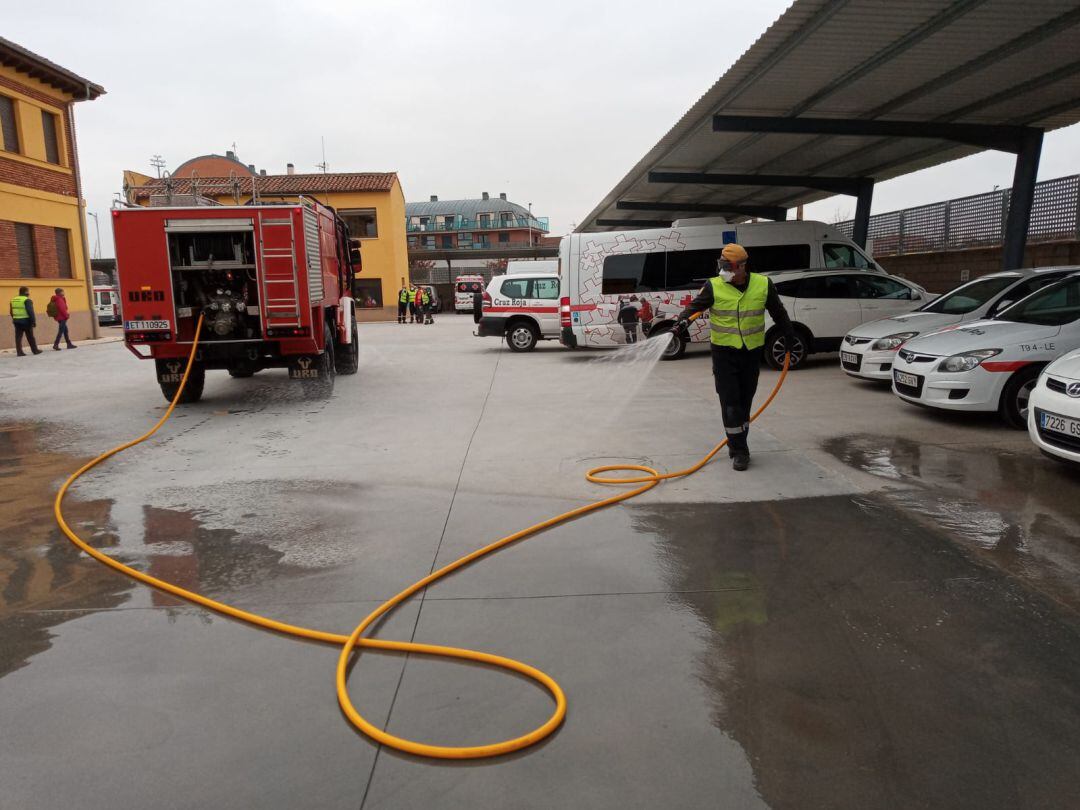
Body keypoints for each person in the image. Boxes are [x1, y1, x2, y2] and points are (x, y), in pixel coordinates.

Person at [674, 243, 793, 472]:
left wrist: (788, 335)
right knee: (730, 404)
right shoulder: (714, 286)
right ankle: (740, 451)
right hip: (724, 354)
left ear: (741, 267)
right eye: (721, 265)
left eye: (728, 266)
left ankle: (736, 441)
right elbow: (693, 307)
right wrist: (681, 322)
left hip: (751, 353)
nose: (723, 270)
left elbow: (778, 311)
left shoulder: (762, 284)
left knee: (744, 403)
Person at [9, 286, 43, 356]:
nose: (29, 293)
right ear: (26, 292)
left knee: (18, 337)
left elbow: (11, 311)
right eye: (28, 291)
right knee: (30, 337)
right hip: (26, 321)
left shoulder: (13, 300)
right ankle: (35, 350)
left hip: (16, 321)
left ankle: (19, 352)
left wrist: (15, 318)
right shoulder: (27, 300)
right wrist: (33, 321)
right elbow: (30, 311)